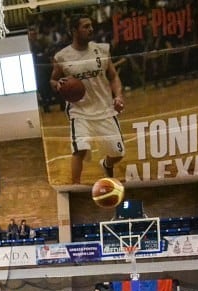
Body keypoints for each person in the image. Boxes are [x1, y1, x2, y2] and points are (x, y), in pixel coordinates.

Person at [51, 14, 125, 184]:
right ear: (73, 31)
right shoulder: (62, 57)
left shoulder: (102, 49)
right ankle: (75, 187)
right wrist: (58, 85)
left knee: (118, 154)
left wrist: (118, 95)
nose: (91, 29)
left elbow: (113, 76)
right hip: (80, 111)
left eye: (91, 25)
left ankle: (106, 164)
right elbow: (53, 79)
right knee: (80, 150)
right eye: (85, 26)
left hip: (105, 109)